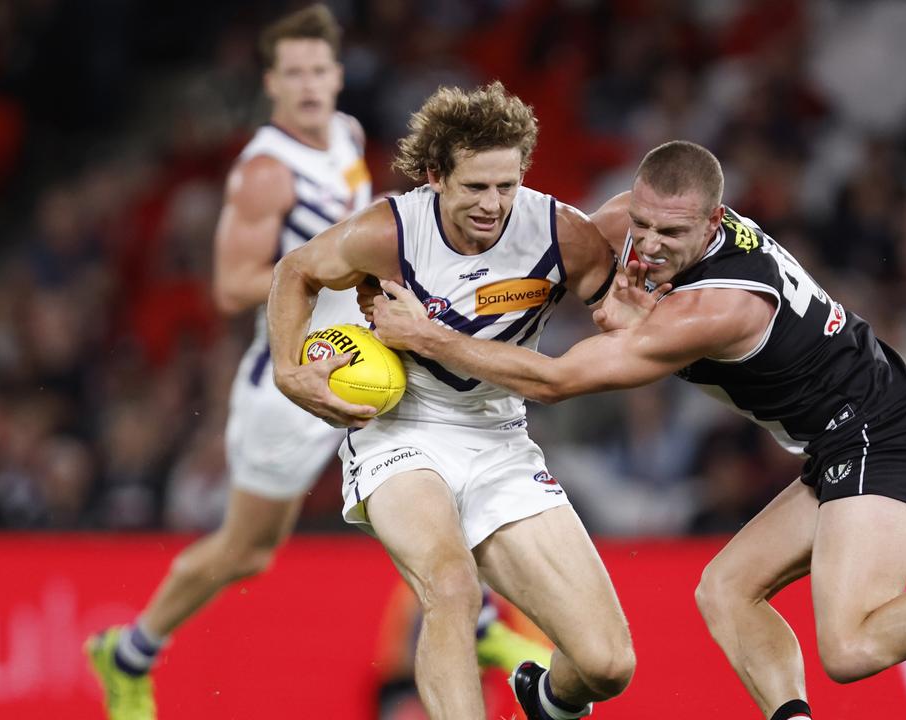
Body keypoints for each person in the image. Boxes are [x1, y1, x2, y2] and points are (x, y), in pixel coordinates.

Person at [368, 140, 906, 720]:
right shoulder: (645, 218)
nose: (647, 245)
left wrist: (433, 337)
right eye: (641, 225)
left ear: (714, 222)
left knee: (850, 647)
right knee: (724, 590)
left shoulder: (719, 304)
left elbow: (557, 379)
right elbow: (585, 258)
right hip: (840, 437)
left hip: (885, 430)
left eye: (670, 237)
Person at [83, 9, 542, 720]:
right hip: (293, 378)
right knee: (245, 549)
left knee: (435, 468)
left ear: (338, 73)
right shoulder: (266, 172)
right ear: (271, 82)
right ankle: (130, 651)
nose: (309, 85)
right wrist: (331, 262)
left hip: (366, 356)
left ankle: (474, 623)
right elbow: (234, 285)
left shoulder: (348, 137)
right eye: (293, 72)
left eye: (320, 70)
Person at [267, 81, 635, 719]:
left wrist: (634, 308)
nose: (494, 204)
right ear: (435, 175)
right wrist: (286, 370)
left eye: (507, 185)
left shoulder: (562, 236)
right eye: (475, 187)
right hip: (402, 428)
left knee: (606, 665)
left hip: (500, 437)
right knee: (451, 588)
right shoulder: (390, 232)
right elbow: (294, 271)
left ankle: (542, 700)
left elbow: (623, 327)